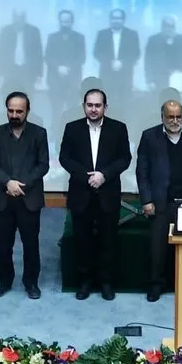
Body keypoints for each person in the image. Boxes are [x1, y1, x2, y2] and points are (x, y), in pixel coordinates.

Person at [59, 88, 132, 301]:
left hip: (108, 192)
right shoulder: (72, 128)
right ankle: (85, 282)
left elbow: (124, 158)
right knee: (82, 240)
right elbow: (65, 158)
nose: (93, 109)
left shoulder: (118, 128)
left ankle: (106, 282)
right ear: (84, 106)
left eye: (97, 105)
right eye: (89, 105)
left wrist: (104, 175)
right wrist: (86, 177)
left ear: (105, 107)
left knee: (108, 241)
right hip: (81, 193)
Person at [136, 100, 182, 302]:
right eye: (170, 117)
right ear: (162, 117)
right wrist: (146, 200)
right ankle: (156, 285)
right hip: (160, 201)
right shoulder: (149, 136)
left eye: (179, 117)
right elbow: (142, 171)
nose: (175, 121)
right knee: (157, 248)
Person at [0, 92, 49, 299]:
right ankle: (4, 281)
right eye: (10, 110)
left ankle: (31, 283)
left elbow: (43, 165)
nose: (14, 115)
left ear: (27, 111)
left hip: (29, 198)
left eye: (19, 111)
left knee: (31, 245)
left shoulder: (39, 134)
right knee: (3, 245)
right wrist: (8, 182)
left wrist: (20, 185)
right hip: (2, 197)